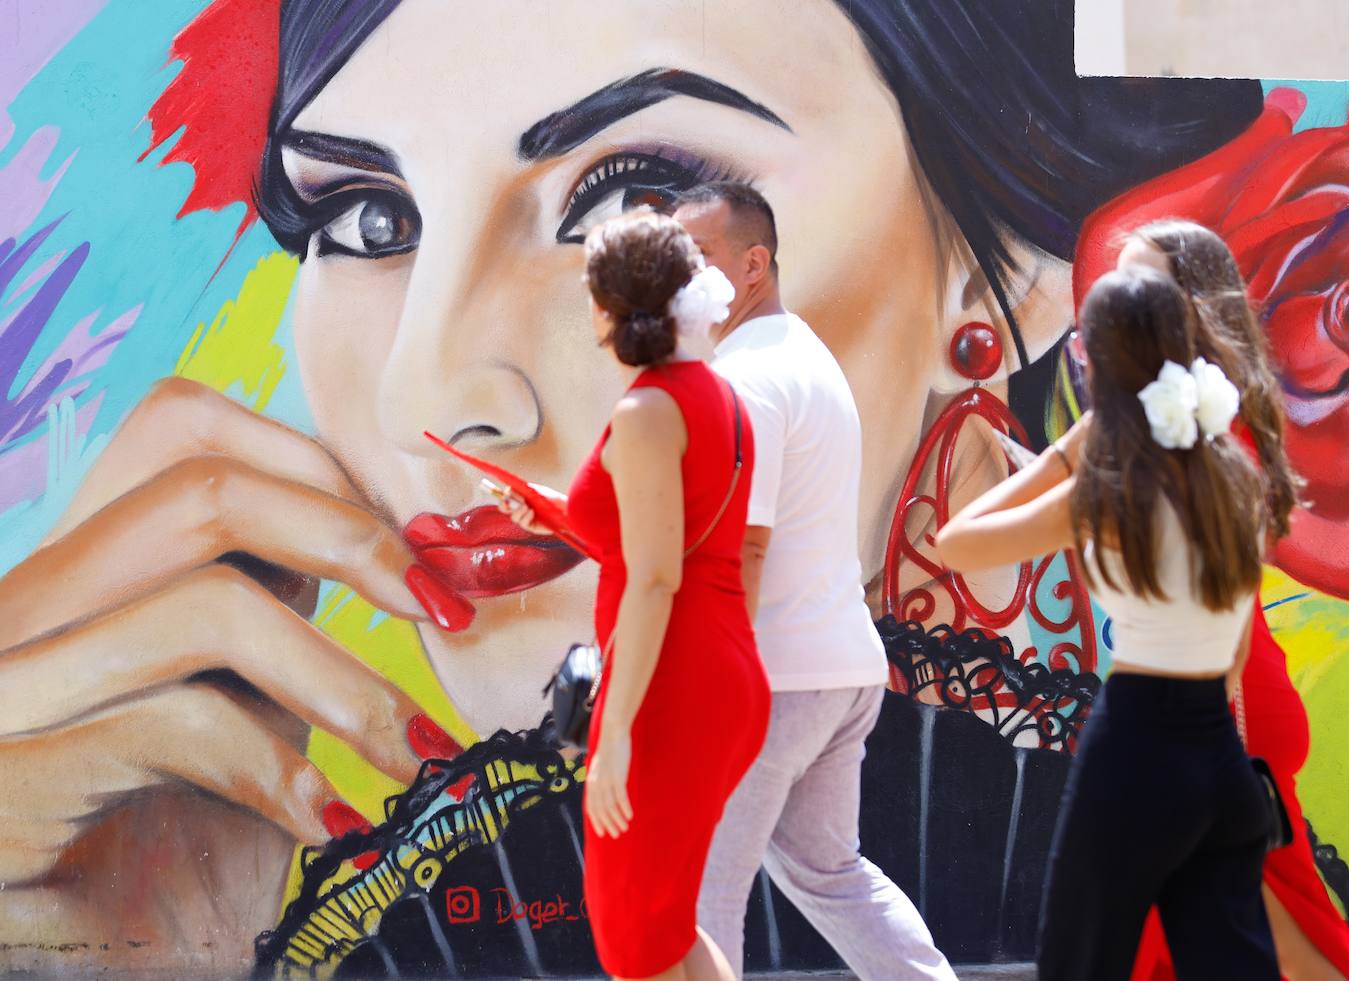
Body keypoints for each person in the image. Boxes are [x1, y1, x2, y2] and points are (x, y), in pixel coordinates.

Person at [0, 0, 1274, 966]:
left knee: (676, 906)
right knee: (818, 876)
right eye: (370, 222)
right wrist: (128, 942)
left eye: (634, 195)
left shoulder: (700, 400)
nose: (428, 392)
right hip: (823, 679)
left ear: (1006, 270)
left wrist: (614, 734)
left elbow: (664, 572)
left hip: (737, 684)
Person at [937, 266, 1285, 980]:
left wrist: (1066, 454)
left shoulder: (1107, 485)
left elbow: (960, 539)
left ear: (1095, 357)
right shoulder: (1229, 470)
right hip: (1218, 750)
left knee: (1078, 960)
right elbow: (1239, 633)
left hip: (1137, 743)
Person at [669, 182, 956, 980]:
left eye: (695, 258)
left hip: (771, 678)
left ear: (753, 265)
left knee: (700, 898)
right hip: (838, 671)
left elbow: (743, 550)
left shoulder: (742, 381)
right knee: (830, 873)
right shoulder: (798, 354)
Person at [505, 208, 770, 980]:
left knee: (631, 935)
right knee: (665, 924)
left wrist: (614, 733)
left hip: (671, 682)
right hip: (713, 670)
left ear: (610, 305)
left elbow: (656, 576)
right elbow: (661, 536)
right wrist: (556, 508)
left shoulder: (648, 408)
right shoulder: (709, 394)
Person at [1116, 221, 1349, 981]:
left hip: (1220, 713)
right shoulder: (1188, 409)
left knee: (1274, 927)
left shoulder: (1200, 418)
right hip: (1206, 710)